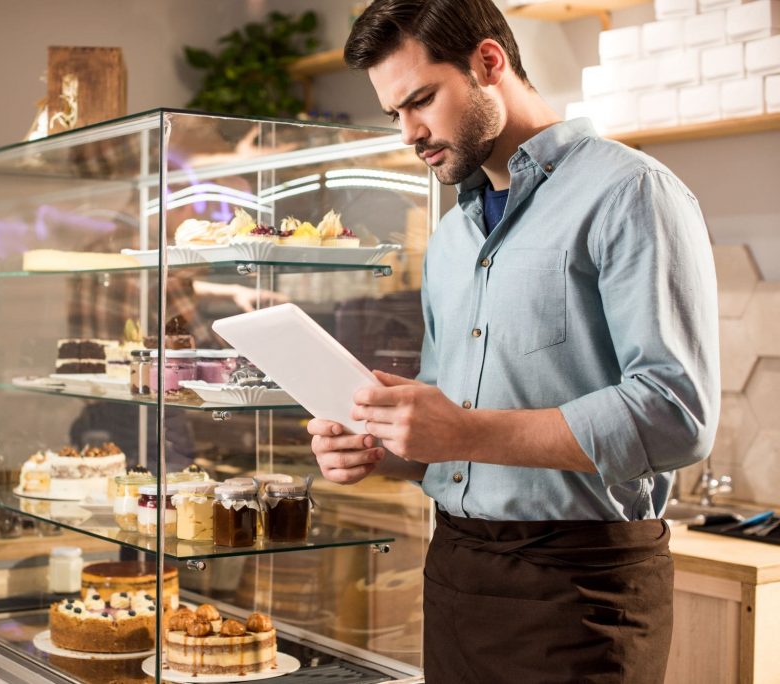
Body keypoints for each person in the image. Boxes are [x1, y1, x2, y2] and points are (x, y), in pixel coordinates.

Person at [307, 1, 720, 681]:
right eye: (395, 114)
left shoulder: (631, 192)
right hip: (457, 576)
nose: (410, 132)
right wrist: (387, 446)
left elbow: (677, 415)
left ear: (489, 62)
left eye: (421, 100)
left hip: (582, 591)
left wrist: (462, 432)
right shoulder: (450, 240)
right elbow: (454, 434)